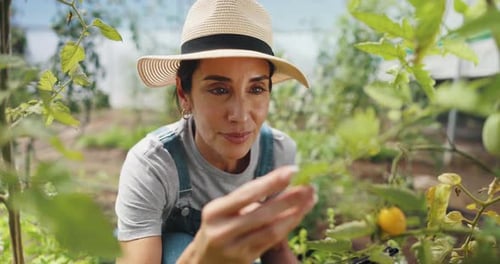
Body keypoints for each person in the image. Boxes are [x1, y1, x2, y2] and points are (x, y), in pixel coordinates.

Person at [114, 0, 316, 263]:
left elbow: (275, 250)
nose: (240, 115)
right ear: (184, 93)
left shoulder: (277, 153)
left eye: (256, 89)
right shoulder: (153, 164)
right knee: (178, 244)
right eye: (219, 90)